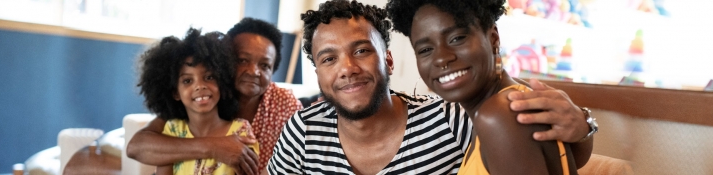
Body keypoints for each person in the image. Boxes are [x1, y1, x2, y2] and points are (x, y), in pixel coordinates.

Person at [267, 0, 593, 174]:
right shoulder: (303, 130)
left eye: (362, 51)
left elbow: (548, 149)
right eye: (329, 59)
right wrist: (585, 125)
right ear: (317, 73)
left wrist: (582, 124)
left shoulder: (454, 118)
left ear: (389, 60)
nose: (347, 69)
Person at [386, 0, 594, 174]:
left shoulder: (499, 115)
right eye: (425, 50)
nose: (441, 58)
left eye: (457, 38)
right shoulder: (504, 103)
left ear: (493, 37)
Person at [127, 18, 303, 175]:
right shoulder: (198, 102)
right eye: (243, 60)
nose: (253, 71)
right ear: (225, 60)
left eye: (265, 65)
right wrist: (214, 147)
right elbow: (136, 147)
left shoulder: (284, 103)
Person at [136, 28, 258, 174]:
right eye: (187, 80)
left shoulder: (241, 131)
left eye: (209, 77)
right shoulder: (172, 129)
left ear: (222, 81)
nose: (200, 86)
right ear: (176, 93)